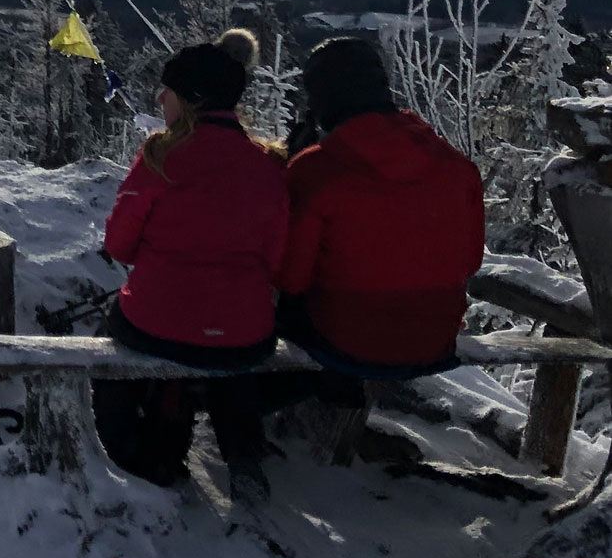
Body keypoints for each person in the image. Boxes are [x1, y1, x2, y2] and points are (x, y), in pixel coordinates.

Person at [95, 28, 290, 502]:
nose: (160, 96)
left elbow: (119, 245)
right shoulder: (269, 166)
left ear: (193, 99)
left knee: (118, 345)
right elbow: (279, 258)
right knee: (228, 353)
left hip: (156, 321)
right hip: (246, 334)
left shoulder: (160, 156)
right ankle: (241, 446)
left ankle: (133, 445)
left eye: (170, 90)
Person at [277, 36, 486, 370]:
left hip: (345, 340)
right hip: (436, 339)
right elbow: (470, 261)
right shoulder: (458, 167)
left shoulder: (316, 170)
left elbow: (290, 278)